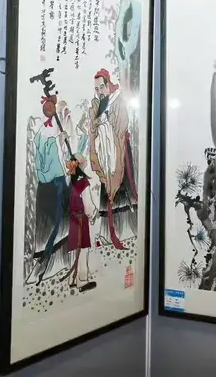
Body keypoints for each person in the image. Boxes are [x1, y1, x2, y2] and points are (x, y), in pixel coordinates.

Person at [88, 69, 138, 250]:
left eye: (102, 87)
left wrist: (107, 125)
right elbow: (92, 129)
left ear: (108, 84)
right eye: (97, 89)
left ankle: (126, 230)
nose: (100, 91)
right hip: (104, 154)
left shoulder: (118, 101)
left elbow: (122, 126)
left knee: (122, 188)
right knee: (106, 191)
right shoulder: (98, 105)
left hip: (119, 152)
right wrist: (97, 126)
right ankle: (106, 233)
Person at [33, 94, 70, 284]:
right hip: (52, 181)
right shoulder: (45, 131)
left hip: (54, 180)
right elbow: (46, 157)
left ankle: (55, 262)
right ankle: (45, 261)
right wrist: (59, 142)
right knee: (54, 221)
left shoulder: (54, 128)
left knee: (59, 220)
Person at [62, 154, 97, 292]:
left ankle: (72, 279)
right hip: (81, 218)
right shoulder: (83, 183)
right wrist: (93, 214)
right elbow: (88, 205)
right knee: (82, 248)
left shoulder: (67, 181)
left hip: (71, 219)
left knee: (74, 248)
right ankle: (81, 281)